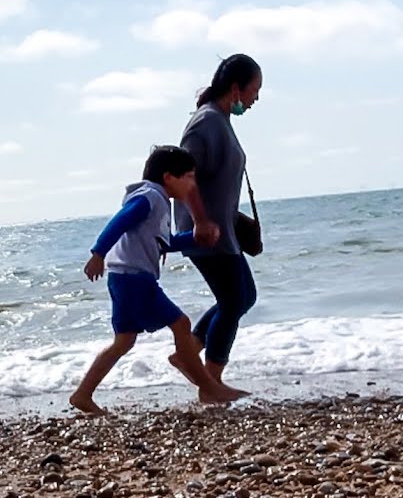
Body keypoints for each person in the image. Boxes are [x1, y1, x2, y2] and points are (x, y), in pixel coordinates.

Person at [69, 146, 246, 415]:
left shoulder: (156, 200)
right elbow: (121, 221)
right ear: (168, 177)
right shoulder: (150, 197)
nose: (192, 184)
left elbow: (164, 243)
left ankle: (82, 394)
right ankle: (208, 386)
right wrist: (97, 253)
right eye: (188, 176)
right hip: (135, 278)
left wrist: (195, 239)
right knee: (182, 324)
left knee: (124, 340)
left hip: (123, 278)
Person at [171, 53, 263, 394]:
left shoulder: (220, 119)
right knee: (235, 300)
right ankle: (211, 382)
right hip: (204, 231)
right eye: (254, 90)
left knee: (242, 297)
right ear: (236, 88)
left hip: (219, 228)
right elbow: (183, 175)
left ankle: (190, 354)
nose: (256, 99)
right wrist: (200, 221)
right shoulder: (206, 122)